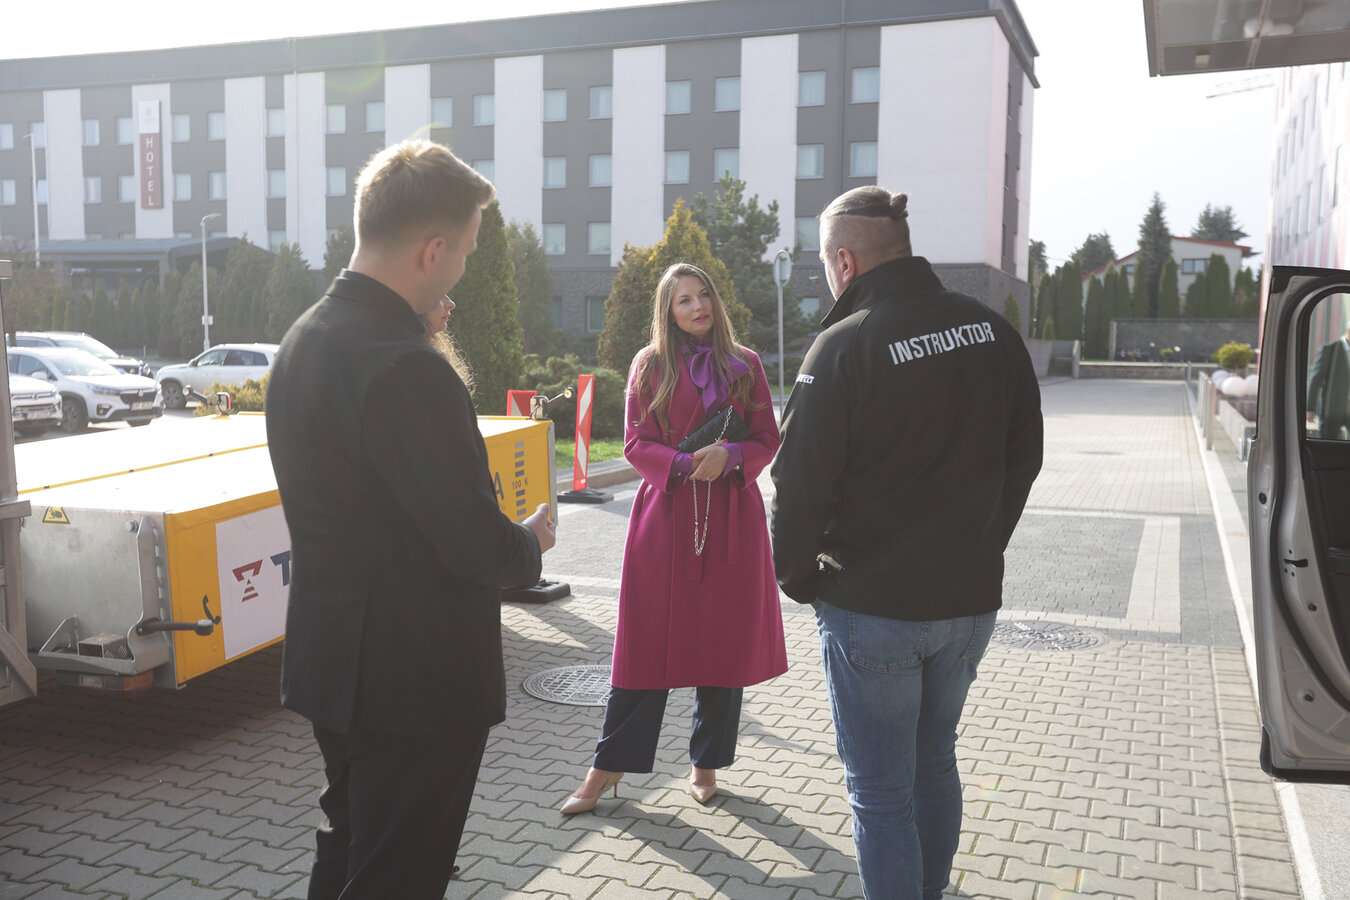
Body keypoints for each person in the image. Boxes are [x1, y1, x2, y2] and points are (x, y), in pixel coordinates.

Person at [265, 139, 556, 900]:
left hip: (337, 660)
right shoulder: (406, 366)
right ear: (432, 250)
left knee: (349, 848)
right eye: (465, 252)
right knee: (398, 875)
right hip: (413, 681)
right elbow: (471, 540)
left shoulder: (302, 339)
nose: (463, 268)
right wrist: (529, 544)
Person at [770, 186, 1043, 900]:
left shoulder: (844, 343)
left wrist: (798, 578)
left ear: (845, 261)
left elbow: (798, 482)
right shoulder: (993, 331)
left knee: (881, 790)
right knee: (934, 764)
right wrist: (982, 545)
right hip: (968, 603)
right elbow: (1025, 457)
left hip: (873, 607)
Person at [561, 263, 787, 814]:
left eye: (703, 294)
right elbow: (636, 443)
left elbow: (767, 437)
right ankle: (608, 765)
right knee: (645, 645)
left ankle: (706, 762)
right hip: (665, 518)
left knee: (721, 646)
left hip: (730, 517)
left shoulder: (745, 363)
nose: (697, 306)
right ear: (668, 310)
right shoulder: (649, 364)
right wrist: (685, 464)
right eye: (684, 299)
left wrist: (730, 455)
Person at [1307, 321, 1350, 440]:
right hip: (1332, 410)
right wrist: (1310, 408)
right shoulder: (1330, 350)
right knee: (1327, 443)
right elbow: (1315, 380)